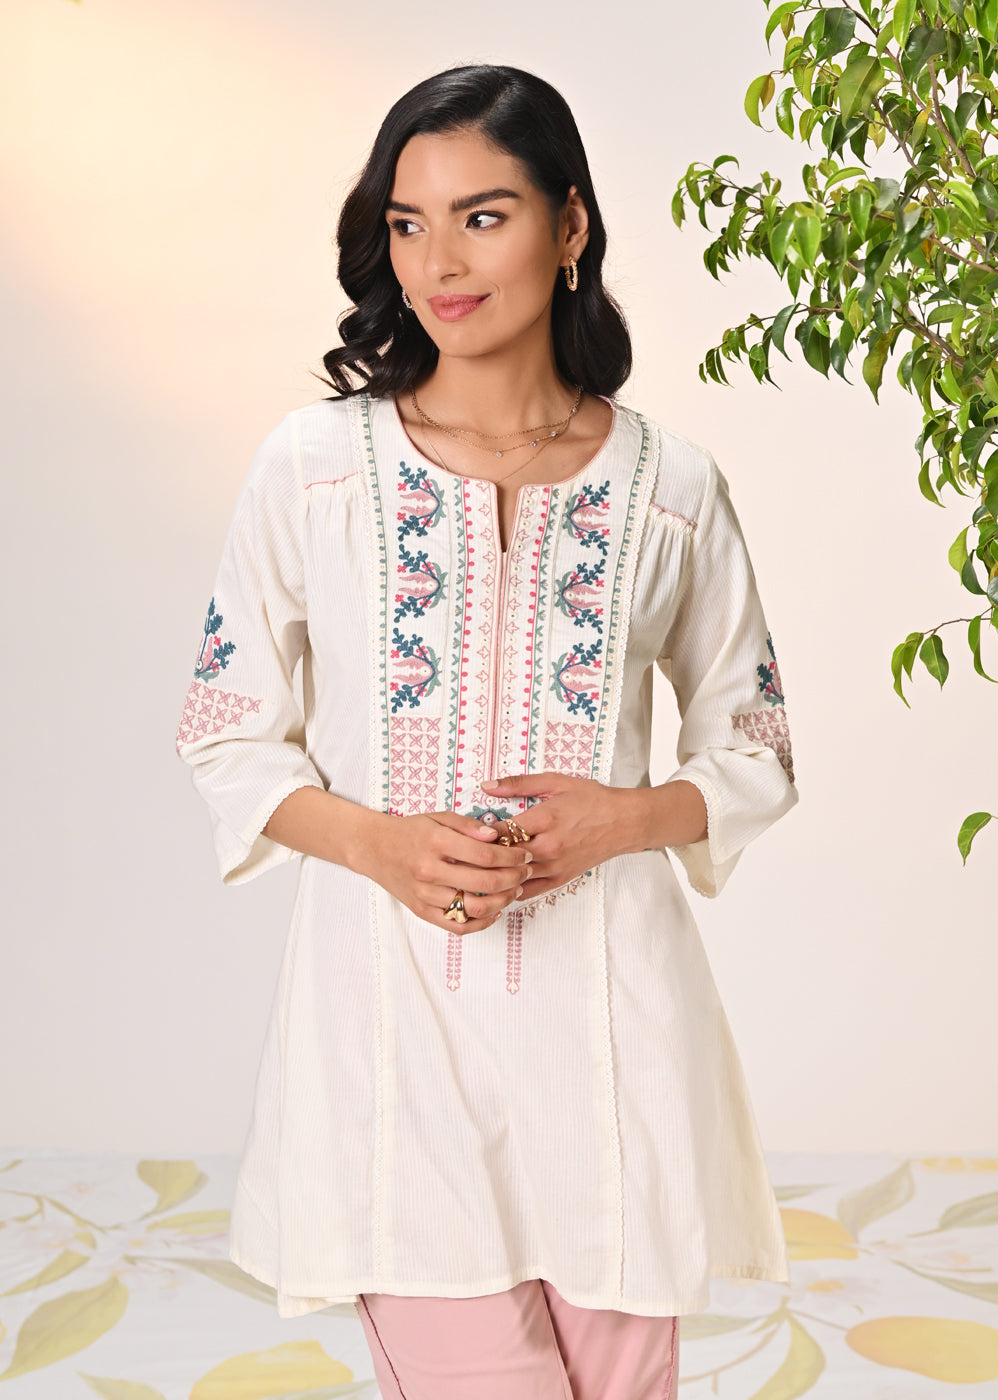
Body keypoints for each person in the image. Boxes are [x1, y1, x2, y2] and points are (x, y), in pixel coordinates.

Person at [175, 62, 798, 1400]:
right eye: (408, 223)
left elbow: (754, 745)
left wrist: (624, 818)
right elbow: (226, 731)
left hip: (612, 1033)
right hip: (389, 1027)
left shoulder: (671, 487)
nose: (439, 263)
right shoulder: (315, 470)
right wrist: (381, 845)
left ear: (570, 227)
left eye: (482, 216)